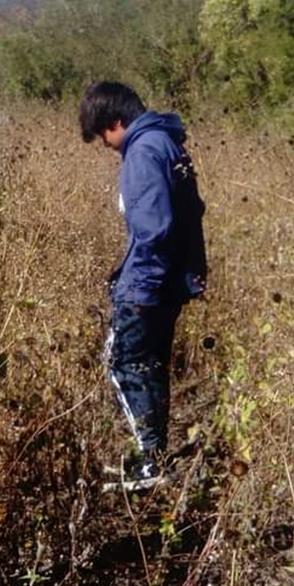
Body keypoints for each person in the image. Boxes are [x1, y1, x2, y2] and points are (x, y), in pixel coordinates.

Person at [79, 81, 207, 491]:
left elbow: (154, 228)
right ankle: (154, 459)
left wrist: (136, 289)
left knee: (120, 363)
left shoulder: (143, 150)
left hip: (148, 285)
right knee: (150, 368)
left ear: (116, 121)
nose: (105, 144)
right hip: (171, 283)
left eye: (103, 134)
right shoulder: (166, 143)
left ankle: (150, 463)